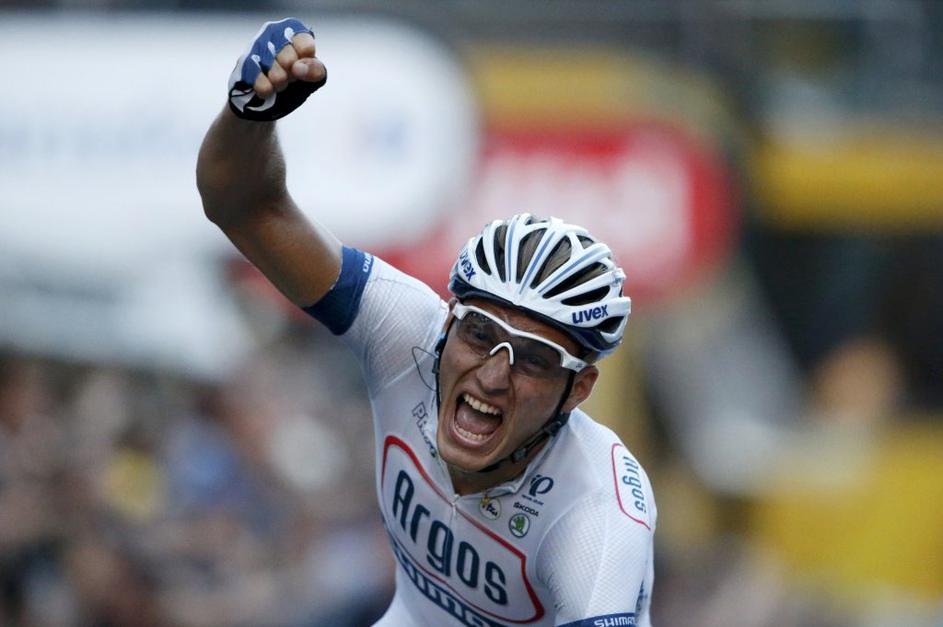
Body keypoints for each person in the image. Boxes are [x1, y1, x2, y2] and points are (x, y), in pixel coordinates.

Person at [197, 18, 656, 627]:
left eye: (534, 359)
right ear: (447, 325)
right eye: (479, 333)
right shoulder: (407, 333)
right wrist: (248, 118)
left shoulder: (595, 515)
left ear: (578, 390)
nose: (493, 375)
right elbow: (245, 206)